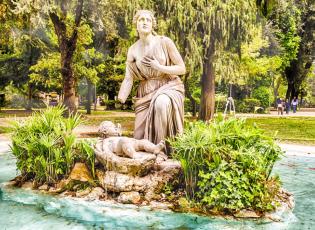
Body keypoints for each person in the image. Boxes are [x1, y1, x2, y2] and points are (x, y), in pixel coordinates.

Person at [118, 10, 186, 144]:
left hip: (168, 86)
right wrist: (121, 97)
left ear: (152, 25)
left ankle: (161, 151)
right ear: (136, 25)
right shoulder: (133, 49)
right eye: (141, 20)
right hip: (146, 91)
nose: (144, 22)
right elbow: (129, 77)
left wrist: (159, 67)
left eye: (148, 20)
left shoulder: (164, 42)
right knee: (138, 137)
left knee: (161, 103)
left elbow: (182, 68)